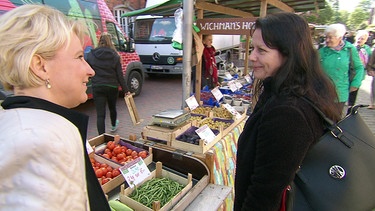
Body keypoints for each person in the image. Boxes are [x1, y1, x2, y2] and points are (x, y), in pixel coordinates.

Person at [0, 5, 111, 211]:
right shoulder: (41, 143)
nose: (90, 70)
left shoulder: (25, 126)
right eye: (79, 57)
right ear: (40, 66)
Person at [234, 12, 342, 210]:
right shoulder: (290, 90)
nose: (252, 56)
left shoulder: (288, 114)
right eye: (253, 48)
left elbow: (264, 195)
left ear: (288, 53)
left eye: (261, 50)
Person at [86, 33, 126, 135]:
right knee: (112, 108)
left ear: (100, 41)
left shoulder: (91, 54)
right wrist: (126, 90)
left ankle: (102, 136)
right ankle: (113, 125)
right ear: (110, 42)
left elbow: (87, 69)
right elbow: (119, 75)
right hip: (112, 86)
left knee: (100, 114)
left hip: (98, 86)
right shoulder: (115, 55)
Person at [319, 23, 364, 113]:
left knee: (334, 121)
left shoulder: (350, 49)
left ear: (340, 37)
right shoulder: (322, 51)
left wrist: (355, 83)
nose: (327, 40)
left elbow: (359, 67)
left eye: (330, 37)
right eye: (326, 37)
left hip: (340, 93)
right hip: (321, 93)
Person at [348, 30, 372, 106]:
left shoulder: (367, 49)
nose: (360, 40)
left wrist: (370, 69)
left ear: (365, 40)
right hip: (349, 71)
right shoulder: (350, 47)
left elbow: (370, 60)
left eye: (362, 39)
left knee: (355, 87)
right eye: (359, 38)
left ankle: (351, 104)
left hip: (360, 72)